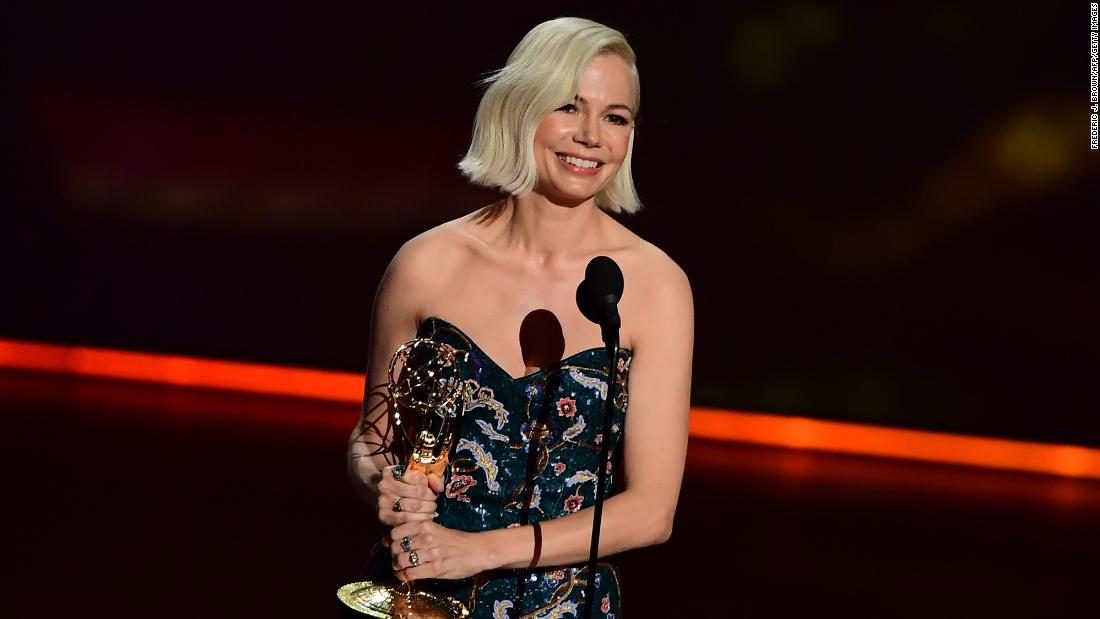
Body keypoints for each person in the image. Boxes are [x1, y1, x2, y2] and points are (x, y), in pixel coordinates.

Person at [346, 16, 693, 618]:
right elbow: (369, 441)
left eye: (616, 117)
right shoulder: (426, 265)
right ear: (518, 109)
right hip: (417, 594)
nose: (591, 136)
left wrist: (478, 552)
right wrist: (387, 488)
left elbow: (652, 512)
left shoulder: (654, 286)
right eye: (568, 106)